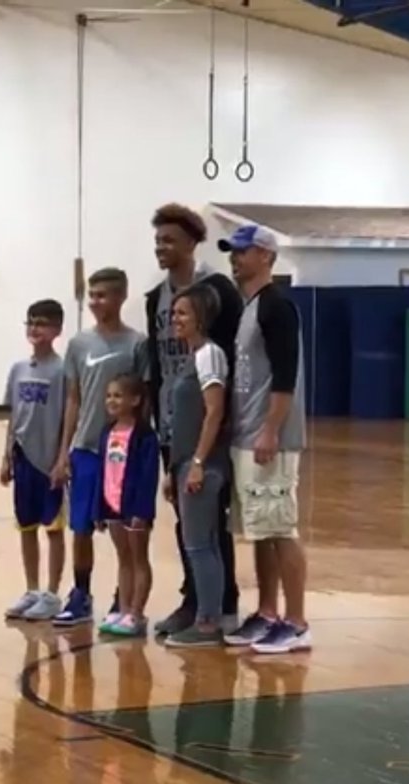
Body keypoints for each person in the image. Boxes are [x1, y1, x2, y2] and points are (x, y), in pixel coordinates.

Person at [145, 204, 243, 637]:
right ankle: (194, 600)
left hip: (207, 421)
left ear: (191, 243)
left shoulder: (216, 289)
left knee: (208, 520)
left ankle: (221, 606)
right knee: (187, 521)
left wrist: (218, 432)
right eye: (157, 241)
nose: (161, 248)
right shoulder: (157, 297)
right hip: (172, 417)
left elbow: (233, 361)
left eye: (169, 240)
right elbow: (155, 360)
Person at [218, 224, 311, 653]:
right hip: (247, 435)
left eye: (243, 251)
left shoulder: (277, 307)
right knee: (260, 530)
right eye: (233, 252)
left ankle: (296, 621)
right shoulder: (249, 307)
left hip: (269, 437)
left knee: (281, 528)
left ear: (267, 257)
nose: (235, 258)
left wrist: (271, 428)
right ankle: (267, 611)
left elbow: (285, 375)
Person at [51, 269, 148, 627]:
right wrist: (64, 453)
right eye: (91, 295)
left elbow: (144, 400)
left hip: (121, 452)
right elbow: (73, 399)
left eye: (103, 295)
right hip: (86, 450)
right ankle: (80, 593)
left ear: (121, 297)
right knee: (81, 527)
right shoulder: (78, 344)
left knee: (123, 528)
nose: (95, 302)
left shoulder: (137, 343)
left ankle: (124, 599)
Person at [162, 282, 231, 648]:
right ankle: (209, 616)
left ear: (201, 317)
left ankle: (207, 624)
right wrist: (174, 469)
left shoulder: (209, 355)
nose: (176, 318)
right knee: (203, 543)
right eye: (174, 312)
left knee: (200, 545)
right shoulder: (193, 357)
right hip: (186, 462)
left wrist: (199, 463)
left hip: (204, 463)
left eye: (183, 312)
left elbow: (214, 411)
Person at [0, 299, 67, 622]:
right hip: (23, 459)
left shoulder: (63, 370)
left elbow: (70, 418)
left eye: (41, 323)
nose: (34, 328)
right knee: (26, 526)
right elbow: (13, 416)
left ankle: (53, 593)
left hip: (50, 460)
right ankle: (32, 588)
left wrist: (62, 459)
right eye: (30, 322)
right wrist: (6, 455)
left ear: (56, 329)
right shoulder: (18, 370)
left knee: (53, 529)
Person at [93, 374, 159, 637]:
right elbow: (103, 470)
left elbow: (148, 475)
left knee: (138, 558)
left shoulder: (145, 436)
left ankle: (137, 612)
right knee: (123, 559)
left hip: (134, 508)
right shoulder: (106, 432)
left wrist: (142, 511)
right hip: (112, 505)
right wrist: (98, 509)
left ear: (135, 400)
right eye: (109, 395)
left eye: (118, 395)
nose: (111, 400)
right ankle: (122, 609)